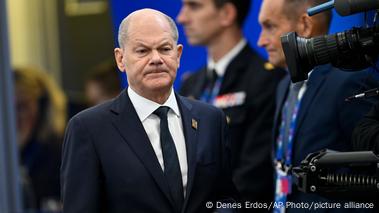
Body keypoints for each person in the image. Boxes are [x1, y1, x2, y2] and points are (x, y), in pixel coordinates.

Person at [61, 8, 237, 213]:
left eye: (164, 49)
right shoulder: (89, 128)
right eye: (142, 51)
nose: (156, 59)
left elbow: (227, 198)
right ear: (120, 59)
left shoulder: (210, 119)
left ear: (178, 54)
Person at [257, 0, 378, 211]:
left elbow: (370, 173)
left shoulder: (350, 83)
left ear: (305, 25)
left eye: (270, 26)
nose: (260, 41)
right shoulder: (283, 85)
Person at [177, 0, 285, 207]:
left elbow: (254, 176)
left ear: (226, 13)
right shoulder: (190, 84)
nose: (181, 17)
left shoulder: (267, 80)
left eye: (194, 6)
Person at [14, 67, 66, 212]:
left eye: (22, 107)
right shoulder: (11, 156)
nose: (14, 117)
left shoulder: (63, 152)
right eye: (9, 108)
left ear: (43, 107)